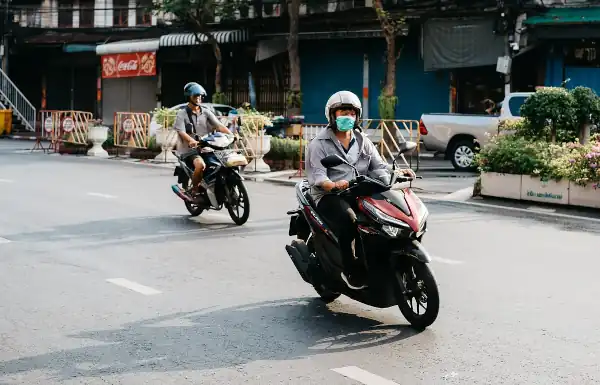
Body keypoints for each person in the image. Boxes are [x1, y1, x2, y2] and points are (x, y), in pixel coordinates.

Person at [306, 90, 416, 290]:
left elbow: (379, 166)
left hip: (359, 190)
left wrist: (399, 171)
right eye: (342, 112)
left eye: (351, 112)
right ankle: (351, 269)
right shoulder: (319, 143)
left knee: (383, 217)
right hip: (330, 195)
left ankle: (379, 261)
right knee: (349, 220)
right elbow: (318, 176)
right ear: (332, 115)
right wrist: (332, 184)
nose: (347, 116)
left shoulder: (363, 140)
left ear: (357, 116)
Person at [173, 82, 232, 198]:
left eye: (200, 96)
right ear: (189, 97)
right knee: (200, 165)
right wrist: (191, 140)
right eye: (195, 96)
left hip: (207, 147)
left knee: (224, 162)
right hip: (190, 151)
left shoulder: (205, 111)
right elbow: (181, 131)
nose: (198, 98)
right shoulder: (182, 114)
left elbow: (219, 125)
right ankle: (195, 190)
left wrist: (232, 134)